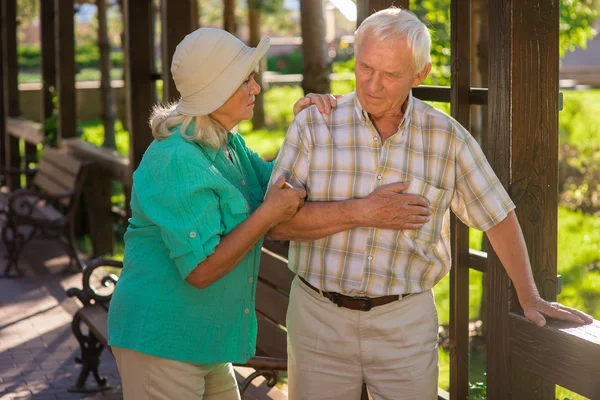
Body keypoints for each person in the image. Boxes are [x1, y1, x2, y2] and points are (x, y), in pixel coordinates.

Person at [268, 8, 594, 400]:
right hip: (317, 318)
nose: (372, 85)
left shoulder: (446, 137)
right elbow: (276, 224)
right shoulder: (313, 125)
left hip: (404, 323)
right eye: (365, 67)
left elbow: (497, 214)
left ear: (419, 76)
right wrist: (361, 211)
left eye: (390, 75)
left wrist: (529, 296)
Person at [107, 27, 336, 400]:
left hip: (204, 340)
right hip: (162, 342)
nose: (257, 88)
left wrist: (303, 129)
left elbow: (279, 185)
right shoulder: (176, 159)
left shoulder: (228, 143)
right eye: (246, 80)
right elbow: (201, 270)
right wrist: (267, 213)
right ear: (216, 91)